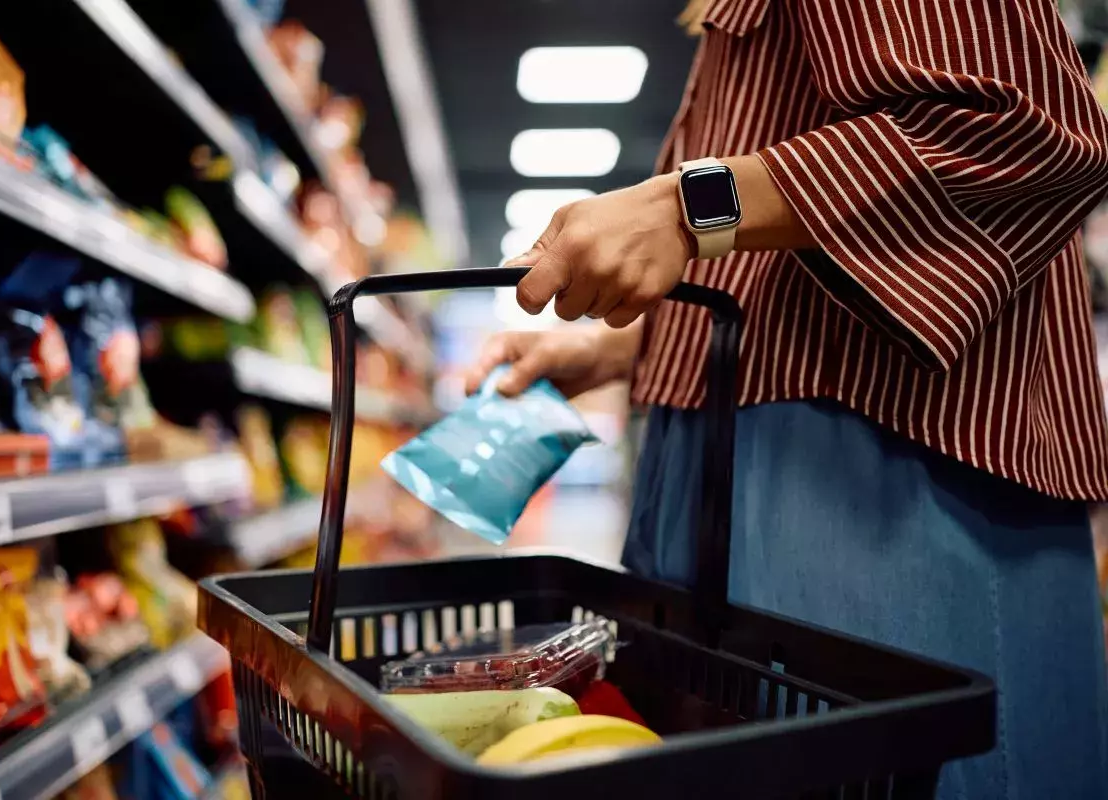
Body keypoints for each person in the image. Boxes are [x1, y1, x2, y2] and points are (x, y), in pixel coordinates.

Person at [464, 1, 1108, 797]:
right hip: (744, 467)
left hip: (878, 476)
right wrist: (622, 344)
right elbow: (770, 262)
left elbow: (1024, 131)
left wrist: (685, 205)